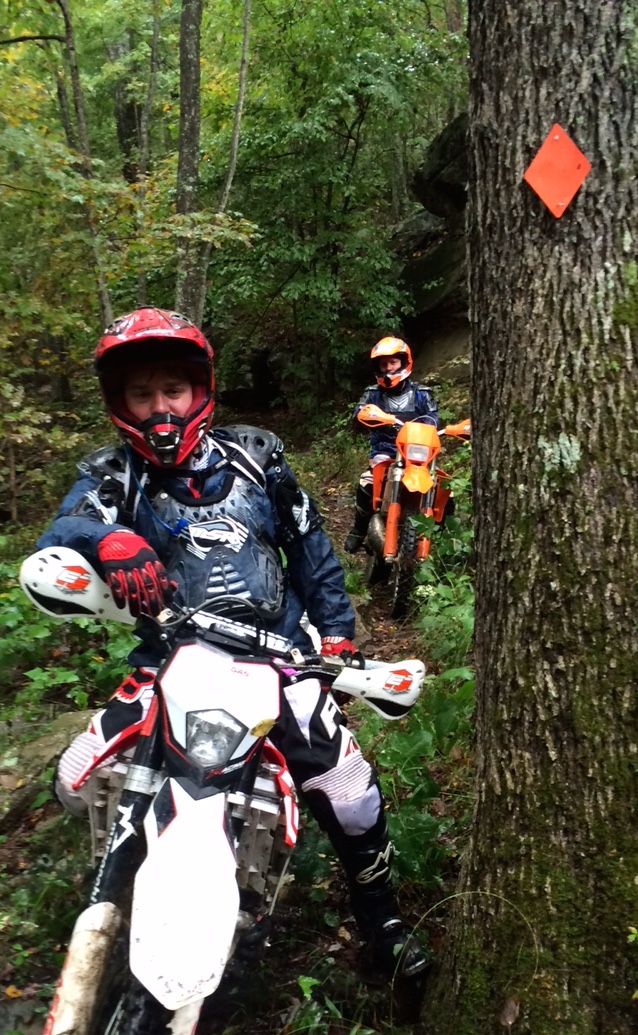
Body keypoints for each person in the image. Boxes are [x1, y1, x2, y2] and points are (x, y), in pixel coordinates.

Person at [37, 307, 430, 981]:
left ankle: (383, 925)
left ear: (198, 390)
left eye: (172, 391)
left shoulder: (257, 454)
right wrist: (106, 538)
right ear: (120, 402)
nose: (160, 408)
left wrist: (335, 636)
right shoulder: (112, 474)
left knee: (352, 792)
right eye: (141, 393)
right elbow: (62, 529)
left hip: (280, 652)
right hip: (169, 655)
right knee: (76, 777)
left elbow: (308, 546)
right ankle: (120, 895)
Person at [343, 336, 440, 553]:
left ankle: (442, 534)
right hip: (385, 450)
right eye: (383, 364)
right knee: (367, 483)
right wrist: (367, 415)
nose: (388, 368)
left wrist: (429, 424)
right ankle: (359, 529)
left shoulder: (422, 393)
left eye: (393, 362)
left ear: (404, 362)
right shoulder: (373, 393)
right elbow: (359, 413)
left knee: (445, 488)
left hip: (418, 450)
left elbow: (433, 418)